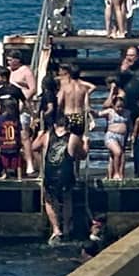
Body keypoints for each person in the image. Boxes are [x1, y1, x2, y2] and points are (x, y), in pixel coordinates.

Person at [39, 111, 86, 245]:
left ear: (54, 125)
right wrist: (86, 144)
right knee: (67, 198)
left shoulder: (47, 135)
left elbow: (34, 146)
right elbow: (82, 155)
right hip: (65, 172)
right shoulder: (73, 137)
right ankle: (66, 228)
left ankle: (56, 229)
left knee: (49, 199)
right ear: (68, 125)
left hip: (51, 172)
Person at [57, 62, 93, 138]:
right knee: (78, 139)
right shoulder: (84, 89)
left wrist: (58, 115)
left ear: (69, 74)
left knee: (67, 139)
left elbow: (59, 102)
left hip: (68, 115)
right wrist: (91, 119)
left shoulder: (65, 87)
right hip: (79, 116)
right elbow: (87, 107)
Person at [101, 82, 129, 180]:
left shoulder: (122, 94)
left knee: (119, 155)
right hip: (112, 133)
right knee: (116, 153)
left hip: (122, 135)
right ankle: (114, 174)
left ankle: (119, 174)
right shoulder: (112, 100)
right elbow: (105, 106)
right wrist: (111, 92)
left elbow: (121, 103)